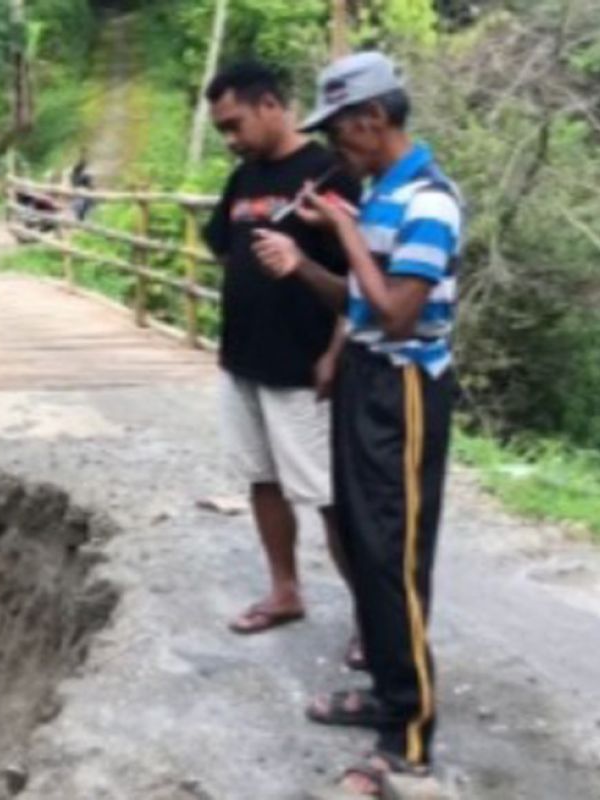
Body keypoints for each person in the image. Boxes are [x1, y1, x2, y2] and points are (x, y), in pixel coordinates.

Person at [252, 52, 464, 794]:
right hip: (368, 376)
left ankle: (408, 739)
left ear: (373, 120)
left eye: (340, 131)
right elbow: (363, 300)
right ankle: (385, 688)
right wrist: (309, 258)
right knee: (367, 544)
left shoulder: (428, 202)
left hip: (404, 385)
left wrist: (339, 233)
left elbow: (401, 312)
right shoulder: (381, 195)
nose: (335, 147)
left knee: (394, 554)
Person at [202, 62, 362, 651]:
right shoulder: (244, 175)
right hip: (241, 359)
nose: (231, 138)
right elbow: (225, 247)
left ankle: (371, 618)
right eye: (222, 129)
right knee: (261, 478)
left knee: (325, 495)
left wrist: (335, 348)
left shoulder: (329, 174)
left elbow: (363, 274)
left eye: (235, 123)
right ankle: (284, 589)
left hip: (303, 368)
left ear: (271, 104)